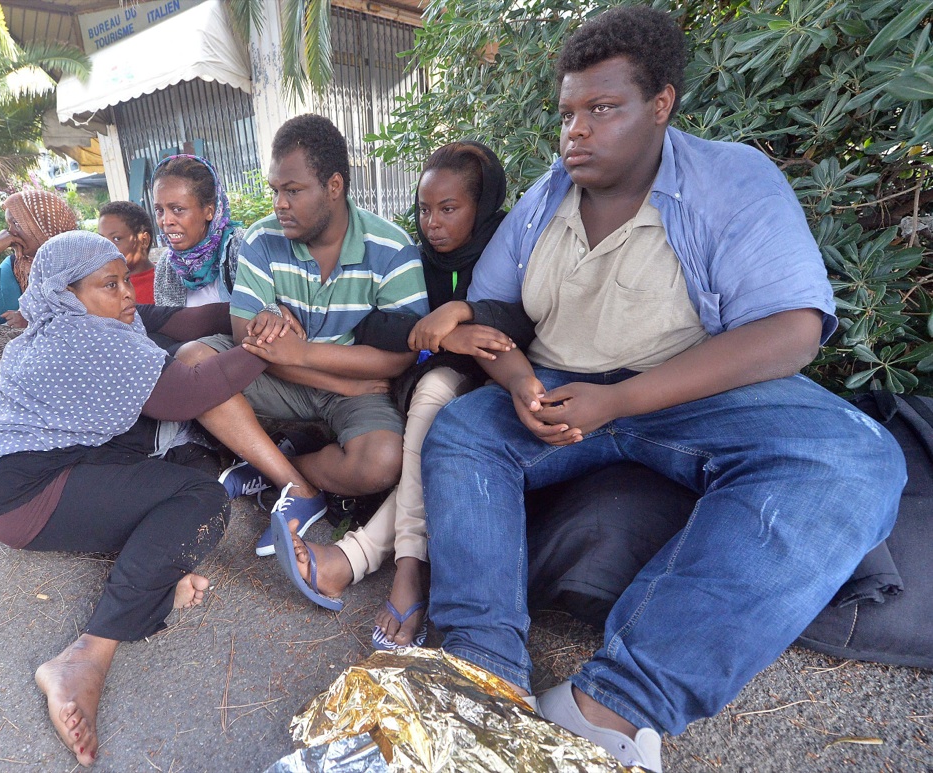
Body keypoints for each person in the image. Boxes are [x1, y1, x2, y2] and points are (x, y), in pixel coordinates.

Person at [418, 7, 906, 771]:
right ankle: (482, 674)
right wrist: (516, 380)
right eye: (569, 112)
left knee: (856, 458)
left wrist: (622, 399)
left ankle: (611, 702)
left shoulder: (730, 177)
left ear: (661, 105)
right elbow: (497, 314)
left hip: (690, 391)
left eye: (602, 109)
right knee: (462, 431)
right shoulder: (548, 197)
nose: (575, 131)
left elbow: (792, 331)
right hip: (557, 387)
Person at [0, 230, 271, 767]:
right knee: (202, 499)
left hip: (39, 472)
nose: (127, 294)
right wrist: (263, 347)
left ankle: (160, 569)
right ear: (66, 294)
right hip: (26, 495)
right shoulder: (85, 336)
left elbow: (188, 321)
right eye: (110, 285)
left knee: (182, 460)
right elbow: (187, 394)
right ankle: (86, 656)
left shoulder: (80, 318)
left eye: (126, 279)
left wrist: (252, 310)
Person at [274, 142, 518, 647]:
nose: (433, 223)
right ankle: (373, 560)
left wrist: (467, 314)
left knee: (433, 398)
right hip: (432, 376)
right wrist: (442, 332)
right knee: (429, 399)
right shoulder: (414, 255)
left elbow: (524, 317)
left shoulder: (512, 248)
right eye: (424, 209)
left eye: (449, 209)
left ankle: (384, 565)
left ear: (483, 205)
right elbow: (376, 323)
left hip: (500, 380)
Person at [193, 114, 429, 582]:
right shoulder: (262, 240)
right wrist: (334, 374)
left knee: (382, 460)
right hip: (336, 380)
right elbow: (247, 339)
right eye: (274, 190)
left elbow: (401, 355)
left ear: (334, 185)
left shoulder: (392, 249)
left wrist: (300, 353)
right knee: (193, 365)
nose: (279, 204)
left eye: (293, 190)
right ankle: (296, 485)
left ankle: (272, 465)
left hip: (357, 394)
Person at [0, 189, 78, 383]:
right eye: (9, 224)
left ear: (42, 225)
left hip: (74, 342)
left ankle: (19, 390)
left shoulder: (79, 257)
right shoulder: (18, 265)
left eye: (16, 223)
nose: (11, 232)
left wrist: (32, 320)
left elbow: (91, 314)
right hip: (37, 347)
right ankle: (12, 389)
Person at [151, 154, 243, 307]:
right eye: (159, 210)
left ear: (209, 211)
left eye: (178, 209)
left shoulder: (240, 249)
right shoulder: (167, 266)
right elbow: (168, 327)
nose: (166, 221)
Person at [97, 200, 163, 304]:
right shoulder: (98, 285)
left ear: (144, 240)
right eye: (101, 240)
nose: (106, 247)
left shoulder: (165, 283)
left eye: (116, 239)